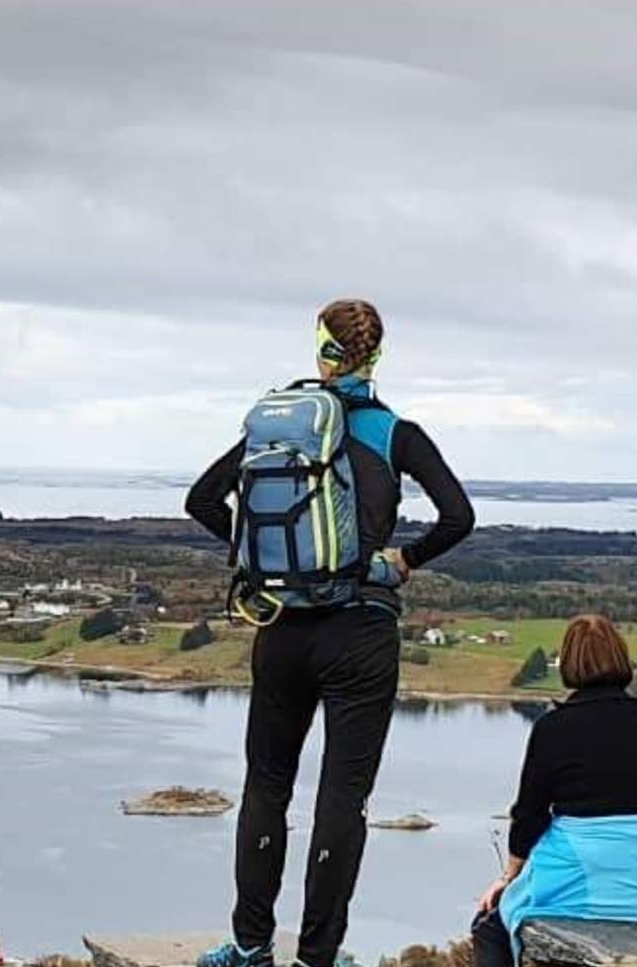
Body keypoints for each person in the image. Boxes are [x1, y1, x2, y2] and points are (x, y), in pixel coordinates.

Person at [185, 299, 476, 967]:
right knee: (342, 798)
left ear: (320, 350)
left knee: (266, 784)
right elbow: (458, 516)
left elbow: (202, 499)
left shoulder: (275, 428)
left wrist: (261, 557)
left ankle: (251, 944)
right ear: (376, 355)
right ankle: (318, 957)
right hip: (362, 632)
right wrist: (404, 559)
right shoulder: (395, 432)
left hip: (283, 627)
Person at [472, 615, 637, 967]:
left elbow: (529, 814)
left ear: (569, 664)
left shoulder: (554, 728)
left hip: (586, 875)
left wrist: (510, 879)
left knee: (489, 926)